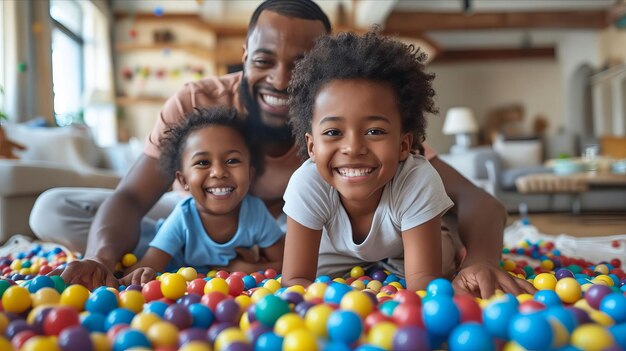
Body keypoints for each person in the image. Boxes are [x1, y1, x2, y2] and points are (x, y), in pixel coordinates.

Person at [30, 0, 534, 298]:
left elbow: (477, 201)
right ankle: (184, 251)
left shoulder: (347, 126)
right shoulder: (198, 103)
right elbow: (129, 198)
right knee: (54, 208)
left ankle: (214, 260)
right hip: (206, 215)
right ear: (244, 55)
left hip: (312, 236)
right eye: (265, 59)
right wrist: (99, 256)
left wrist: (482, 257)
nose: (280, 78)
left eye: (301, 63)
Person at [282, 30, 456, 291]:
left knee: (444, 266)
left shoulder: (417, 180)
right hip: (335, 258)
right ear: (312, 147)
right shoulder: (307, 184)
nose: (353, 148)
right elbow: (295, 282)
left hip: (403, 252)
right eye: (333, 132)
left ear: (403, 145)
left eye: (374, 131)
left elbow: (422, 288)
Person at [120, 107, 284, 286]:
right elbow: (145, 268)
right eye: (203, 162)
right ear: (183, 180)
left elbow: (286, 262)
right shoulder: (183, 218)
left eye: (232, 160)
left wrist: (245, 268)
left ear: (250, 175)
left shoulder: (255, 213)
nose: (219, 172)